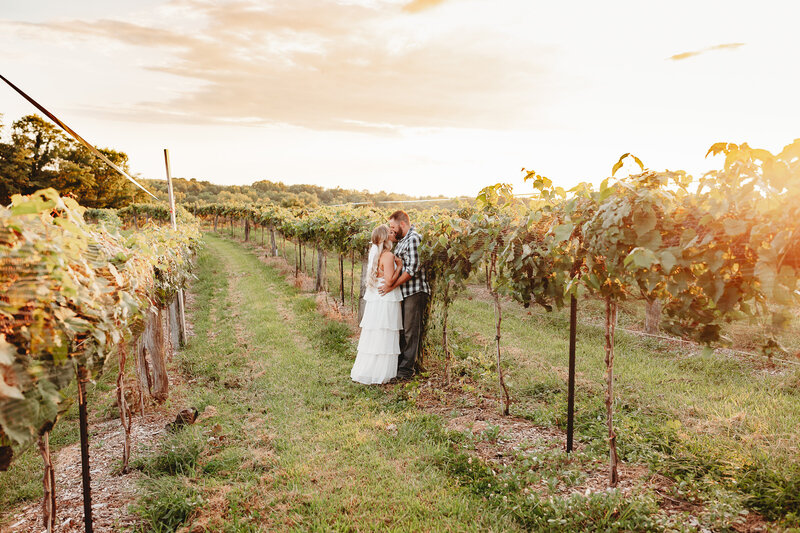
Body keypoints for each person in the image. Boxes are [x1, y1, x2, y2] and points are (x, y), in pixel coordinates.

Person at [350, 224, 403, 384]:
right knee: (385, 332)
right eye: (390, 233)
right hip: (386, 299)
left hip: (377, 298)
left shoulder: (377, 255)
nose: (393, 234)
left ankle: (372, 370)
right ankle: (381, 372)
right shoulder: (387, 256)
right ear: (386, 238)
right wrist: (399, 266)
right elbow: (389, 281)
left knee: (376, 333)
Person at [380, 210, 430, 381]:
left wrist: (391, 285)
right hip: (404, 292)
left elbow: (412, 269)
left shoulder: (414, 238)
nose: (391, 230)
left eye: (393, 226)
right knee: (402, 330)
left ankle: (406, 371)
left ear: (403, 224)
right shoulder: (402, 241)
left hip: (415, 291)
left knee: (410, 331)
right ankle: (400, 366)